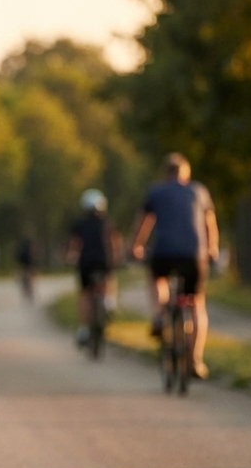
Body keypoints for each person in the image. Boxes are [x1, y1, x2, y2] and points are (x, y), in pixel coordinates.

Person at [130, 153, 218, 379]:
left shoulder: (156, 192)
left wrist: (136, 246)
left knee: (157, 278)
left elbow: (144, 223)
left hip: (164, 253)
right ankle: (196, 360)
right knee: (196, 304)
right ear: (186, 173)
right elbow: (209, 223)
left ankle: (160, 314)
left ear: (165, 173)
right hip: (194, 255)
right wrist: (212, 249)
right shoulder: (198, 191)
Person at [66, 188, 122, 346]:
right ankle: (108, 302)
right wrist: (116, 258)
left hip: (85, 262)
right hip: (103, 261)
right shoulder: (107, 222)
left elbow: (74, 244)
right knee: (108, 279)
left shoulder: (79, 224)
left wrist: (70, 256)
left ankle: (84, 329)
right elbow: (114, 242)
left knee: (86, 294)